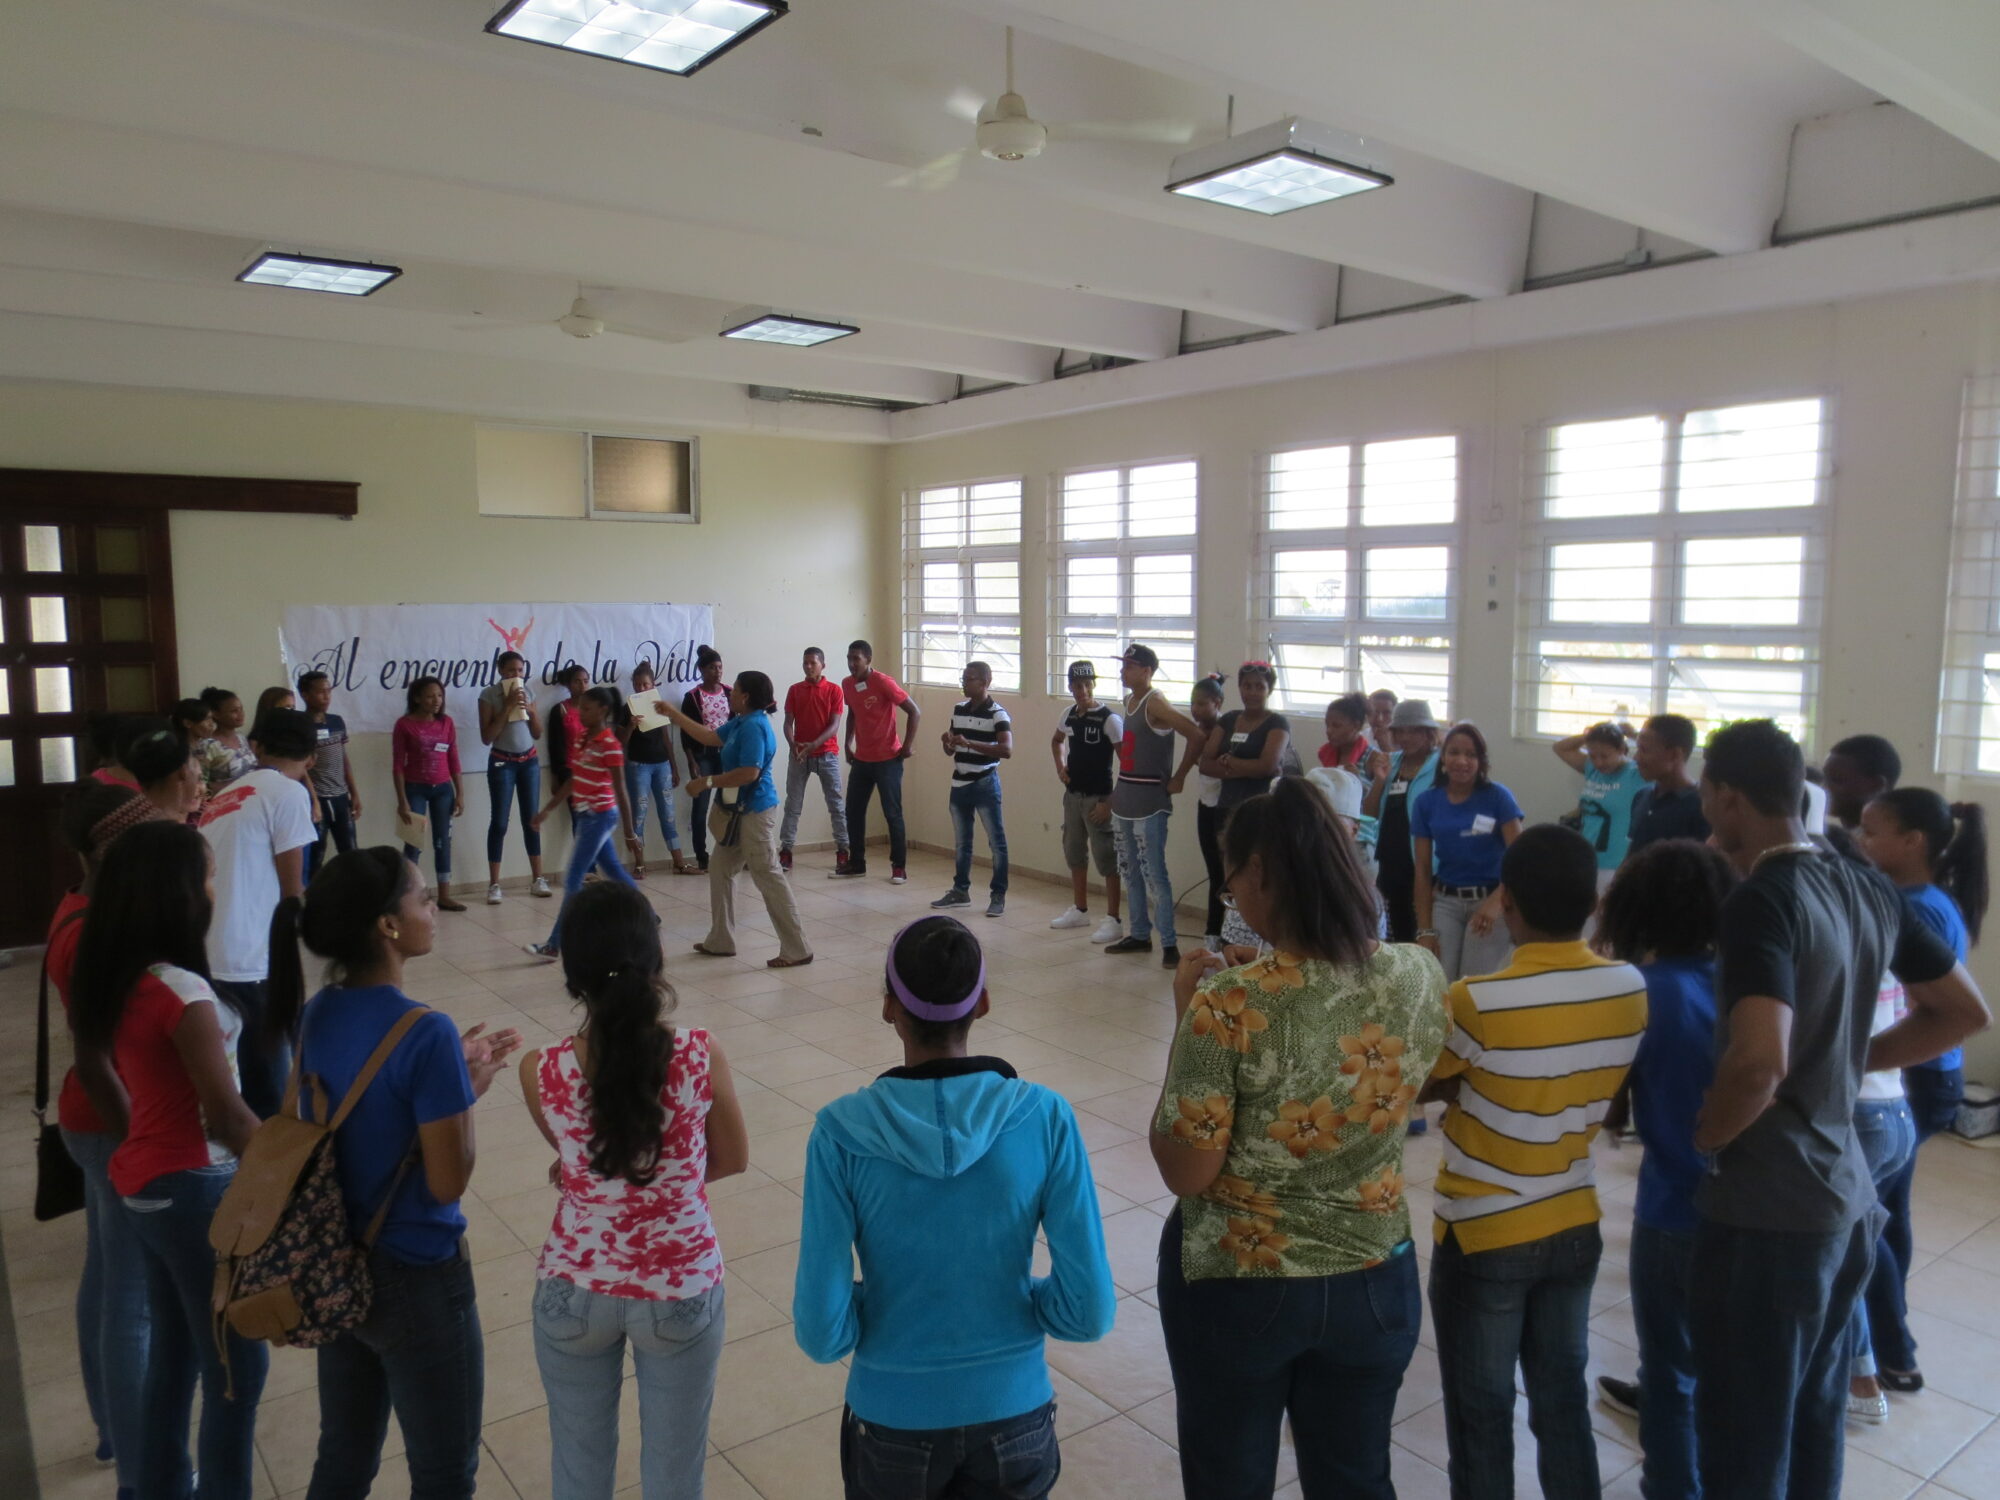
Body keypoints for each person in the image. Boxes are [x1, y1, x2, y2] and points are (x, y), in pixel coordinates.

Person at [1690, 720, 1988, 1500]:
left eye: (1708, 798)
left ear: (1727, 797)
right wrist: (1851, 1057)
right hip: (1844, 1198)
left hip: (1771, 1209)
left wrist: (1708, 1137)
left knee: (1745, 1431)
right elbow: (1963, 1011)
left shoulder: (1763, 898)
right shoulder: (1864, 882)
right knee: (1815, 1414)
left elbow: (1759, 1062)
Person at [1150, 778, 1448, 1500]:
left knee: (1230, 1479)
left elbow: (1188, 1170)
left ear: (1258, 872)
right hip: (1374, 1277)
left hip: (1243, 1281)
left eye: (1231, 883)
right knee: (1356, 1478)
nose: (1232, 898)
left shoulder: (1228, 1002)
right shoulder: (1417, 973)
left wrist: (1192, 1018)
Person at [793, 917, 1116, 1499]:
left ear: (889, 1007)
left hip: (891, 1417)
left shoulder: (840, 1132)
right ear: (983, 1002)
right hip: (1015, 1411)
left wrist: (883, 1300)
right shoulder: (1045, 1116)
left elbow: (823, 1334)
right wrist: (1014, 1297)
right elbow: (1087, 1314)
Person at [274, 846, 522, 1500]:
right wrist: (462, 1094)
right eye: (421, 898)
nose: (431, 909)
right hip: (417, 1274)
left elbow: (340, 1121)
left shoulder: (319, 1011)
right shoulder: (425, 1032)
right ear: (387, 924)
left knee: (344, 1457)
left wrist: (446, 1082)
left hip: (336, 1257)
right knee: (444, 1475)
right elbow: (446, 1183)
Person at [1421, 823, 1647, 1500]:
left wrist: (1464, 1085)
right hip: (1574, 1219)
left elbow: (1423, 1081)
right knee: (1562, 1399)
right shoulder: (1630, 985)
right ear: (1594, 904)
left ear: (1508, 903)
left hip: (1485, 1231)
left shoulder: (1476, 1000)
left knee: (1482, 1415)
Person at [520, 882, 750, 1500]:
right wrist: (666, 1185)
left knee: (578, 1469)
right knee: (675, 1475)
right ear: (657, 959)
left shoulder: (540, 1069)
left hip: (572, 1288)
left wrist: (601, 1182)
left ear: (572, 976)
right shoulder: (699, 1053)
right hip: (680, 1289)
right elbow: (732, 1159)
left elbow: (576, 1158)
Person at [69, 820, 266, 1500]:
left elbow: (95, 1066)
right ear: (177, 894)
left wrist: (141, 1140)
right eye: (207, 877)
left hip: (146, 1180)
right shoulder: (182, 992)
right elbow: (228, 1115)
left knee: (176, 1356)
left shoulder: (124, 976)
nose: (214, 889)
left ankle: (152, 1487)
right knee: (236, 1370)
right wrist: (297, 1172)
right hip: (195, 1188)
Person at [1589, 840, 1738, 1499]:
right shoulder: (1745, 981)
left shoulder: (1646, 992)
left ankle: (1672, 1487)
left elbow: (1601, 1103)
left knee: (1670, 1374)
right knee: (1727, 1368)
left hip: (1675, 1208)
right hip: (1748, 1206)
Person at [49, 783, 172, 1498]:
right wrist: (138, 1147)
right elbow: (99, 1056)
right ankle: (140, 1472)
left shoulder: (82, 906)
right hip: (112, 1121)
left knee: (107, 1278)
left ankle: (110, 1429)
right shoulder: (93, 932)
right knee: (132, 1301)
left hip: (97, 1119)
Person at [1853, 788, 1987, 1397]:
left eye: (1871, 832)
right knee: (1887, 1214)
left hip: (1920, 1077)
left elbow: (1916, 1009)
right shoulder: (1920, 897)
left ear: (1912, 842)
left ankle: (1893, 1352)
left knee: (1866, 1221)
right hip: (1920, 1076)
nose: (1860, 841)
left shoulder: (1916, 910)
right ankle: (1890, 1336)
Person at [199, 706, 317, 1120]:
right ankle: (267, 1156)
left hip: (209, 951)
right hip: (249, 959)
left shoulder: (227, 794)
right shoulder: (289, 793)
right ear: (312, 758)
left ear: (257, 747)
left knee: (243, 1074)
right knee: (269, 1090)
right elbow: (291, 891)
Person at [659, 671, 814, 967]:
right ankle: (721, 939)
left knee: (768, 876)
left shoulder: (755, 726)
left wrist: (706, 782)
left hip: (756, 812)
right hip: (739, 812)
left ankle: (797, 948)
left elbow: (749, 773)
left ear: (745, 696)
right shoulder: (742, 721)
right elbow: (709, 736)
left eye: (735, 690)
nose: (729, 693)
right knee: (720, 869)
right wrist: (673, 714)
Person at [1104, 644, 1206, 967]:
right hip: (1126, 798)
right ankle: (1139, 934)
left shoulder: (1156, 702)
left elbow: (1195, 735)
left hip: (1150, 801)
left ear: (1146, 671)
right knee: (1130, 871)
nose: (1123, 671)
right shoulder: (1129, 701)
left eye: (1129, 666)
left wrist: (1180, 777)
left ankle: (1169, 944)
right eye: (1123, 666)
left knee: (1154, 874)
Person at [527, 687, 641, 961]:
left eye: (587, 709)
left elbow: (621, 791)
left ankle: (554, 944)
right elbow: (574, 779)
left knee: (573, 880)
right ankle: (645, 912)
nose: (581, 713)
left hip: (601, 817)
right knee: (613, 869)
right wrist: (547, 810)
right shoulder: (581, 738)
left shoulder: (610, 744)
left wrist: (630, 832)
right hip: (584, 815)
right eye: (580, 708)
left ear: (603, 710)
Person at [1412, 721, 1524, 982]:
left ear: (1481, 761)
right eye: (1454, 752)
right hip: (1446, 902)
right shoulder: (1426, 802)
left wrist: (1497, 901)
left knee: (1476, 984)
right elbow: (1423, 870)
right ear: (1443, 757)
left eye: (1471, 755)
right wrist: (1424, 930)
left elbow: (1520, 858)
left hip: (1490, 900)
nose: (1461, 761)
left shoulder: (1498, 797)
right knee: (1441, 980)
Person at [1047, 660, 1124, 942]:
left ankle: (1114, 919)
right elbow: (1056, 741)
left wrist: (1110, 803)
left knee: (1107, 857)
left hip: (1098, 798)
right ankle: (1080, 909)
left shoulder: (1109, 719)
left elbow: (1128, 763)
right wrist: (1061, 767)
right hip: (1073, 796)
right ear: (1070, 687)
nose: (1082, 691)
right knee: (1074, 851)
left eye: (1087, 685)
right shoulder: (1068, 715)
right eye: (1077, 686)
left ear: (1094, 684)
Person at [931, 660, 1013, 918]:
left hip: (985, 782)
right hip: (960, 783)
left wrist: (971, 743)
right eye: (963, 678)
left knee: (996, 841)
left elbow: (1006, 750)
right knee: (962, 842)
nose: (964, 683)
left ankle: (998, 895)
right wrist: (947, 743)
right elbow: (952, 749)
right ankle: (960, 891)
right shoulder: (959, 709)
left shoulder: (998, 714)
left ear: (985, 682)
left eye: (969, 679)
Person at [837, 639, 920, 885]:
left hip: (888, 760)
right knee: (853, 811)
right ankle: (857, 863)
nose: (852, 664)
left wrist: (906, 746)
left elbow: (914, 711)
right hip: (862, 760)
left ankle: (899, 867)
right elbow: (852, 712)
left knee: (892, 814)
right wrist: (848, 743)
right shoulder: (847, 684)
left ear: (868, 660)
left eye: (856, 659)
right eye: (849, 659)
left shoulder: (883, 682)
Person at [477, 649, 554, 903]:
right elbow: (487, 736)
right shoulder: (489, 695)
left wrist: (531, 713)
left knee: (531, 820)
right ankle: (494, 884)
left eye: (520, 670)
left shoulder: (528, 691)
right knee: (499, 822)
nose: (516, 674)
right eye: (511, 670)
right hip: (502, 762)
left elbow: (537, 733)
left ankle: (538, 879)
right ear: (500, 670)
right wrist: (507, 706)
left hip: (528, 761)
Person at [1364, 699, 1443, 943]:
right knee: (1399, 935)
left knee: (1426, 933)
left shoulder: (1441, 766)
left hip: (1426, 863)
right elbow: (1370, 813)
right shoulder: (1391, 762)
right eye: (1401, 731)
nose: (1406, 737)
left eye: (1414, 731)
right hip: (1392, 862)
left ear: (1428, 733)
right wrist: (1380, 780)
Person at [392, 675, 466, 913]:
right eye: (430, 696)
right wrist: (402, 800)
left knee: (442, 841)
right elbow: (398, 765)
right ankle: (408, 897)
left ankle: (444, 895)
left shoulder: (446, 723)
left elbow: (453, 759)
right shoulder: (404, 725)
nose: (436, 701)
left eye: (440, 696)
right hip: (415, 789)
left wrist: (460, 793)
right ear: (417, 698)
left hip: (443, 790)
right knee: (413, 843)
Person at [618, 661, 693, 879]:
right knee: (638, 815)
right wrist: (631, 725)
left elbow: (666, 739)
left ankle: (679, 862)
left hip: (662, 765)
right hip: (638, 766)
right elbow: (620, 742)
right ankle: (639, 864)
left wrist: (674, 766)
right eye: (637, 684)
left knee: (668, 813)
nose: (641, 688)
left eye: (645, 684)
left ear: (653, 685)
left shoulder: (660, 705)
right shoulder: (627, 708)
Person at [779, 645, 848, 875]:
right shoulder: (795, 690)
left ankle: (843, 850)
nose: (808, 667)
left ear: (822, 665)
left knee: (836, 805)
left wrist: (814, 745)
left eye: (813, 663)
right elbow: (788, 723)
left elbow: (834, 725)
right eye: (805, 663)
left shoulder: (834, 690)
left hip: (827, 754)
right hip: (799, 756)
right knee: (793, 804)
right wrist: (793, 744)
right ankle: (786, 850)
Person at [1199, 661, 1292, 828]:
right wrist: (1251, 770)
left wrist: (1229, 761)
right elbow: (1205, 765)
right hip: (1225, 810)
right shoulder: (1228, 719)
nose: (1252, 692)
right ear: (1240, 687)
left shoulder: (1277, 723)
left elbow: (1266, 767)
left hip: (1262, 812)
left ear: (1269, 690)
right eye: (1247, 686)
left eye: (1259, 687)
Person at [1553, 721, 1644, 885]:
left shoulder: (1636, 774)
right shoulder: (1593, 769)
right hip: (1588, 859)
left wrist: (1634, 736)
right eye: (1593, 756)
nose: (1599, 762)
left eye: (1605, 756)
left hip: (1617, 864)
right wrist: (1591, 735)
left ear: (1621, 749)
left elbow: (1663, 756)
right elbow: (1560, 748)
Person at [301, 670, 362, 883]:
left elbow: (343, 758)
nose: (326, 697)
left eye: (329, 691)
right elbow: (301, 767)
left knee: (350, 851)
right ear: (305, 695)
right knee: (316, 854)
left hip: (340, 797)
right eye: (320, 692)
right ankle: (312, 898)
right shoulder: (301, 724)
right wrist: (314, 800)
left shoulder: (336, 721)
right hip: (316, 799)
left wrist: (354, 793)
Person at [1626, 713, 1709, 857]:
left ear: (1674, 755)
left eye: (1644, 750)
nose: (1636, 758)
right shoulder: (1642, 796)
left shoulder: (1701, 807)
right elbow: (1632, 854)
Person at [680, 647, 732, 874]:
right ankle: (702, 857)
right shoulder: (692, 697)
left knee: (731, 803)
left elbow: (737, 724)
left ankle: (732, 851)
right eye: (712, 668)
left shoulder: (730, 692)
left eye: (719, 667)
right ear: (701, 670)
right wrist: (691, 761)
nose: (717, 671)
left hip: (727, 755)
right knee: (701, 806)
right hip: (703, 756)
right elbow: (685, 732)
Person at [1188, 673, 1229, 951]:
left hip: (1226, 808)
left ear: (1218, 703)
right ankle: (1213, 932)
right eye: (1193, 704)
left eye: (1202, 704)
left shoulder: (1228, 730)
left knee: (1228, 873)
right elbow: (1198, 762)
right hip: (1206, 805)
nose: (1196, 710)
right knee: (1214, 871)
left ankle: (1228, 931)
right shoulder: (1198, 731)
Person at [123, 723, 206, 822]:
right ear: (183, 772)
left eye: (201, 779)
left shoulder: (128, 818)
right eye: (198, 778)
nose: (199, 788)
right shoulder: (201, 822)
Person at [1820, 733, 1901, 829]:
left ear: (1877, 785)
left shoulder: (1894, 838)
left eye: (1837, 780)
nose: (1823, 788)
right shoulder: (1833, 835)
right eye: (1824, 778)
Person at [547, 661, 592, 823]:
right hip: (570, 771)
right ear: (568, 684)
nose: (582, 686)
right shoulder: (560, 710)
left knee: (595, 819)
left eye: (585, 681)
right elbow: (554, 745)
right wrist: (555, 777)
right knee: (580, 819)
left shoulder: (594, 708)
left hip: (593, 769)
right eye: (577, 682)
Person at [195, 686, 256, 796]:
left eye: (241, 709)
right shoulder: (207, 745)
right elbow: (201, 785)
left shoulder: (241, 738)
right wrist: (238, 784)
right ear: (216, 714)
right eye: (234, 711)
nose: (241, 714)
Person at [1319, 691, 1372, 771]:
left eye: (1336, 726)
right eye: (1327, 725)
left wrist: (1356, 777)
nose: (1328, 731)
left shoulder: (1371, 758)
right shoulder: (1326, 753)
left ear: (1356, 726)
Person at [1366, 688, 1399, 757]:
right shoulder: (1359, 739)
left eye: (1387, 713)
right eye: (1375, 712)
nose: (1380, 719)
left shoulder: (1405, 741)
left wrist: (1387, 748)